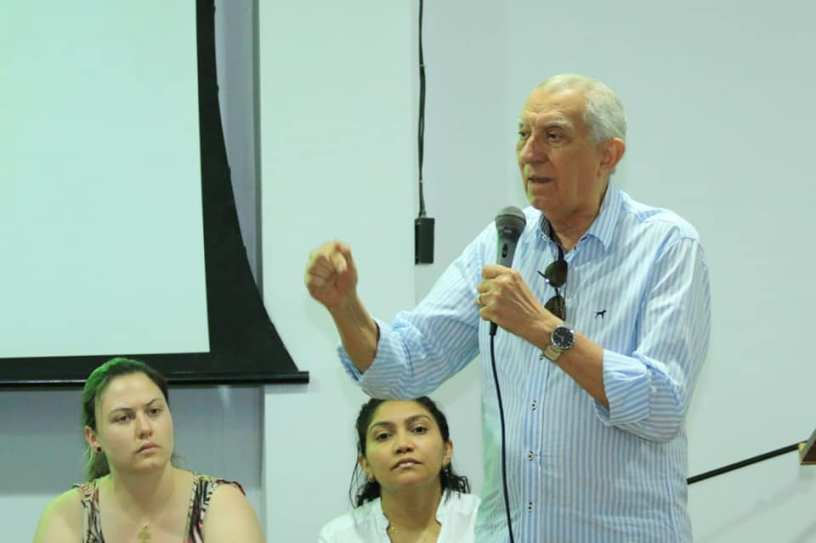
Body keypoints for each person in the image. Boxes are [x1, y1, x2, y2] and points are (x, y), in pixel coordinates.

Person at [305, 73, 711, 541]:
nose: (529, 153)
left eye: (553, 136)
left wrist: (542, 329)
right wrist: (346, 309)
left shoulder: (666, 245)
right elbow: (406, 368)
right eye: (523, 133)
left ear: (608, 154)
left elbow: (661, 406)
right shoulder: (503, 243)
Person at [33, 357, 264, 543]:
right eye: (123, 418)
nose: (144, 428)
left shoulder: (220, 504)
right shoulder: (69, 515)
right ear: (94, 438)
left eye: (154, 412)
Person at [319, 397, 480, 542]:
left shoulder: (485, 521)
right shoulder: (338, 537)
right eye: (383, 436)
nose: (403, 445)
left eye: (419, 429)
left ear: (446, 451)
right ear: (366, 464)